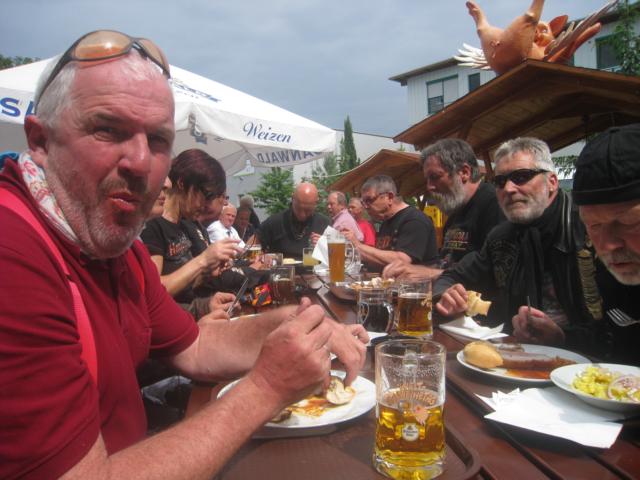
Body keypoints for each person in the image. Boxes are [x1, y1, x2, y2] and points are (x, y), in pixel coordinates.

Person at [0, 30, 367, 479]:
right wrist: (266, 388)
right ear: (40, 140)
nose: (140, 162)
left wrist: (299, 325)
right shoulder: (13, 252)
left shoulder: (111, 246)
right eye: (107, 129)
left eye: (158, 139)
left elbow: (195, 345)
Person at [434, 137, 602, 353]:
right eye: (500, 181)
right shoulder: (501, 237)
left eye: (521, 177)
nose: (509, 188)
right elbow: (451, 277)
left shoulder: (590, 228)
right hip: (517, 357)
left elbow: (618, 327)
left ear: (552, 182)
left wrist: (563, 338)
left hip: (592, 365)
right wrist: (446, 295)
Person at [512, 125, 640, 364]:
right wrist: (561, 337)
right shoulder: (611, 272)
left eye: (627, 222)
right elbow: (608, 340)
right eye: (594, 225)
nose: (607, 244)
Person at [383, 138, 504, 279]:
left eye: (435, 177)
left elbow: (496, 271)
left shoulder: (494, 204)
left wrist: (429, 274)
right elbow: (447, 265)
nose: (429, 187)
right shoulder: (455, 213)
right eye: (427, 179)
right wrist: (411, 270)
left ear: (464, 172)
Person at [141, 149, 241, 309]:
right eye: (207, 195)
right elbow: (152, 291)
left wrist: (208, 271)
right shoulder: (153, 225)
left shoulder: (186, 225)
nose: (207, 204)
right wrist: (203, 261)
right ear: (182, 183)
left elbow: (187, 283)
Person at [342, 175, 438, 271]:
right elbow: (380, 259)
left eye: (369, 200)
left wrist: (358, 246)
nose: (366, 207)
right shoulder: (386, 222)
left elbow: (402, 261)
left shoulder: (414, 220)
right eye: (363, 202)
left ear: (390, 197)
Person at [257, 182, 330, 258]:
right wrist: (262, 258)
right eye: (298, 209)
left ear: (316, 203)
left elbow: (335, 257)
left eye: (307, 210)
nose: (302, 215)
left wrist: (324, 247)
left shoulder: (325, 224)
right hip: (280, 265)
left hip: (313, 265)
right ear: (292, 199)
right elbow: (252, 246)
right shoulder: (275, 222)